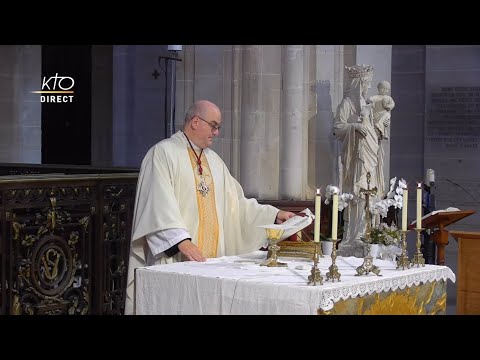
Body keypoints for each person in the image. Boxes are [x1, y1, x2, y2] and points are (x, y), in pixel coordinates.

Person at [125, 100, 295, 314]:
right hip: (177, 260)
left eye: (218, 127)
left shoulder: (214, 161)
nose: (216, 132)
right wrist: (181, 241)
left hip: (213, 264)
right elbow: (157, 203)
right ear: (195, 122)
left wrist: (274, 215)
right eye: (214, 126)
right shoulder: (162, 153)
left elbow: (237, 206)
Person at [333, 65, 386, 256]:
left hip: (371, 151)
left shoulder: (368, 103)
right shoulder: (347, 103)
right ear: (358, 83)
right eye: (366, 83)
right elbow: (338, 128)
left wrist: (381, 125)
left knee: (371, 193)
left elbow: (374, 126)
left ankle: (370, 233)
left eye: (369, 83)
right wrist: (354, 126)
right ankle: (355, 234)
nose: (368, 86)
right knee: (358, 192)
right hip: (356, 156)